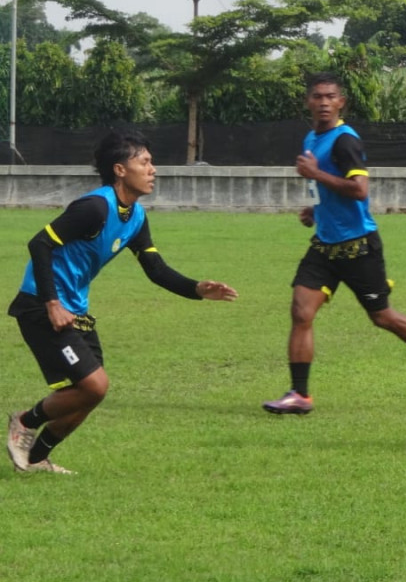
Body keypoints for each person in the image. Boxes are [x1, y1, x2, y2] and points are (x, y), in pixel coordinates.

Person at [6, 130, 239, 474]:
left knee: (89, 395)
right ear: (119, 169)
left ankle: (37, 459)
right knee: (94, 385)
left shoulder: (137, 216)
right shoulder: (95, 207)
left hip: (75, 309)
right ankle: (24, 422)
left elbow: (155, 269)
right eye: (144, 162)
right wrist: (52, 303)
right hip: (41, 305)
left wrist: (197, 289)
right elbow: (39, 244)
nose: (152, 169)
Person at [262, 72, 406, 414]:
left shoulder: (344, 141)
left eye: (330, 97)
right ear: (308, 101)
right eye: (317, 96)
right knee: (300, 311)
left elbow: (359, 190)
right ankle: (300, 395)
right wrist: (316, 209)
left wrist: (315, 175)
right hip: (324, 245)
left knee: (382, 317)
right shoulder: (312, 136)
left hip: (358, 246)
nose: (323, 102)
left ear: (341, 102)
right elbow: (330, 189)